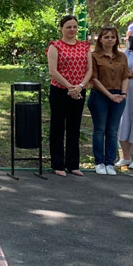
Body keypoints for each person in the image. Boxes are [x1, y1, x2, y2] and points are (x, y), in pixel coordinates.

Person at [47, 15, 92, 176]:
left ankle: (73, 165)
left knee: (74, 127)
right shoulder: (55, 46)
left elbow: (89, 70)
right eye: (68, 27)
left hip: (79, 91)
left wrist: (80, 87)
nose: (72, 30)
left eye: (74, 27)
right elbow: (53, 71)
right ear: (61, 29)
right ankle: (58, 165)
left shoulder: (84, 46)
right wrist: (70, 87)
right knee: (58, 127)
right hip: (60, 91)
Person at [88, 26, 129, 175]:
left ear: (116, 39)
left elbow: (126, 77)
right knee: (100, 130)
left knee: (112, 131)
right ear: (100, 39)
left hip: (118, 96)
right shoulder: (94, 56)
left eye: (112, 37)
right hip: (100, 96)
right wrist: (109, 95)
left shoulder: (122, 56)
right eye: (106, 37)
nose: (110, 39)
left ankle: (110, 163)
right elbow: (94, 79)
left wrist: (123, 94)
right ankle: (99, 162)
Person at [117, 31, 133, 169]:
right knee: (124, 122)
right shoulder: (127, 53)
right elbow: (120, 70)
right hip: (128, 90)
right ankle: (126, 157)